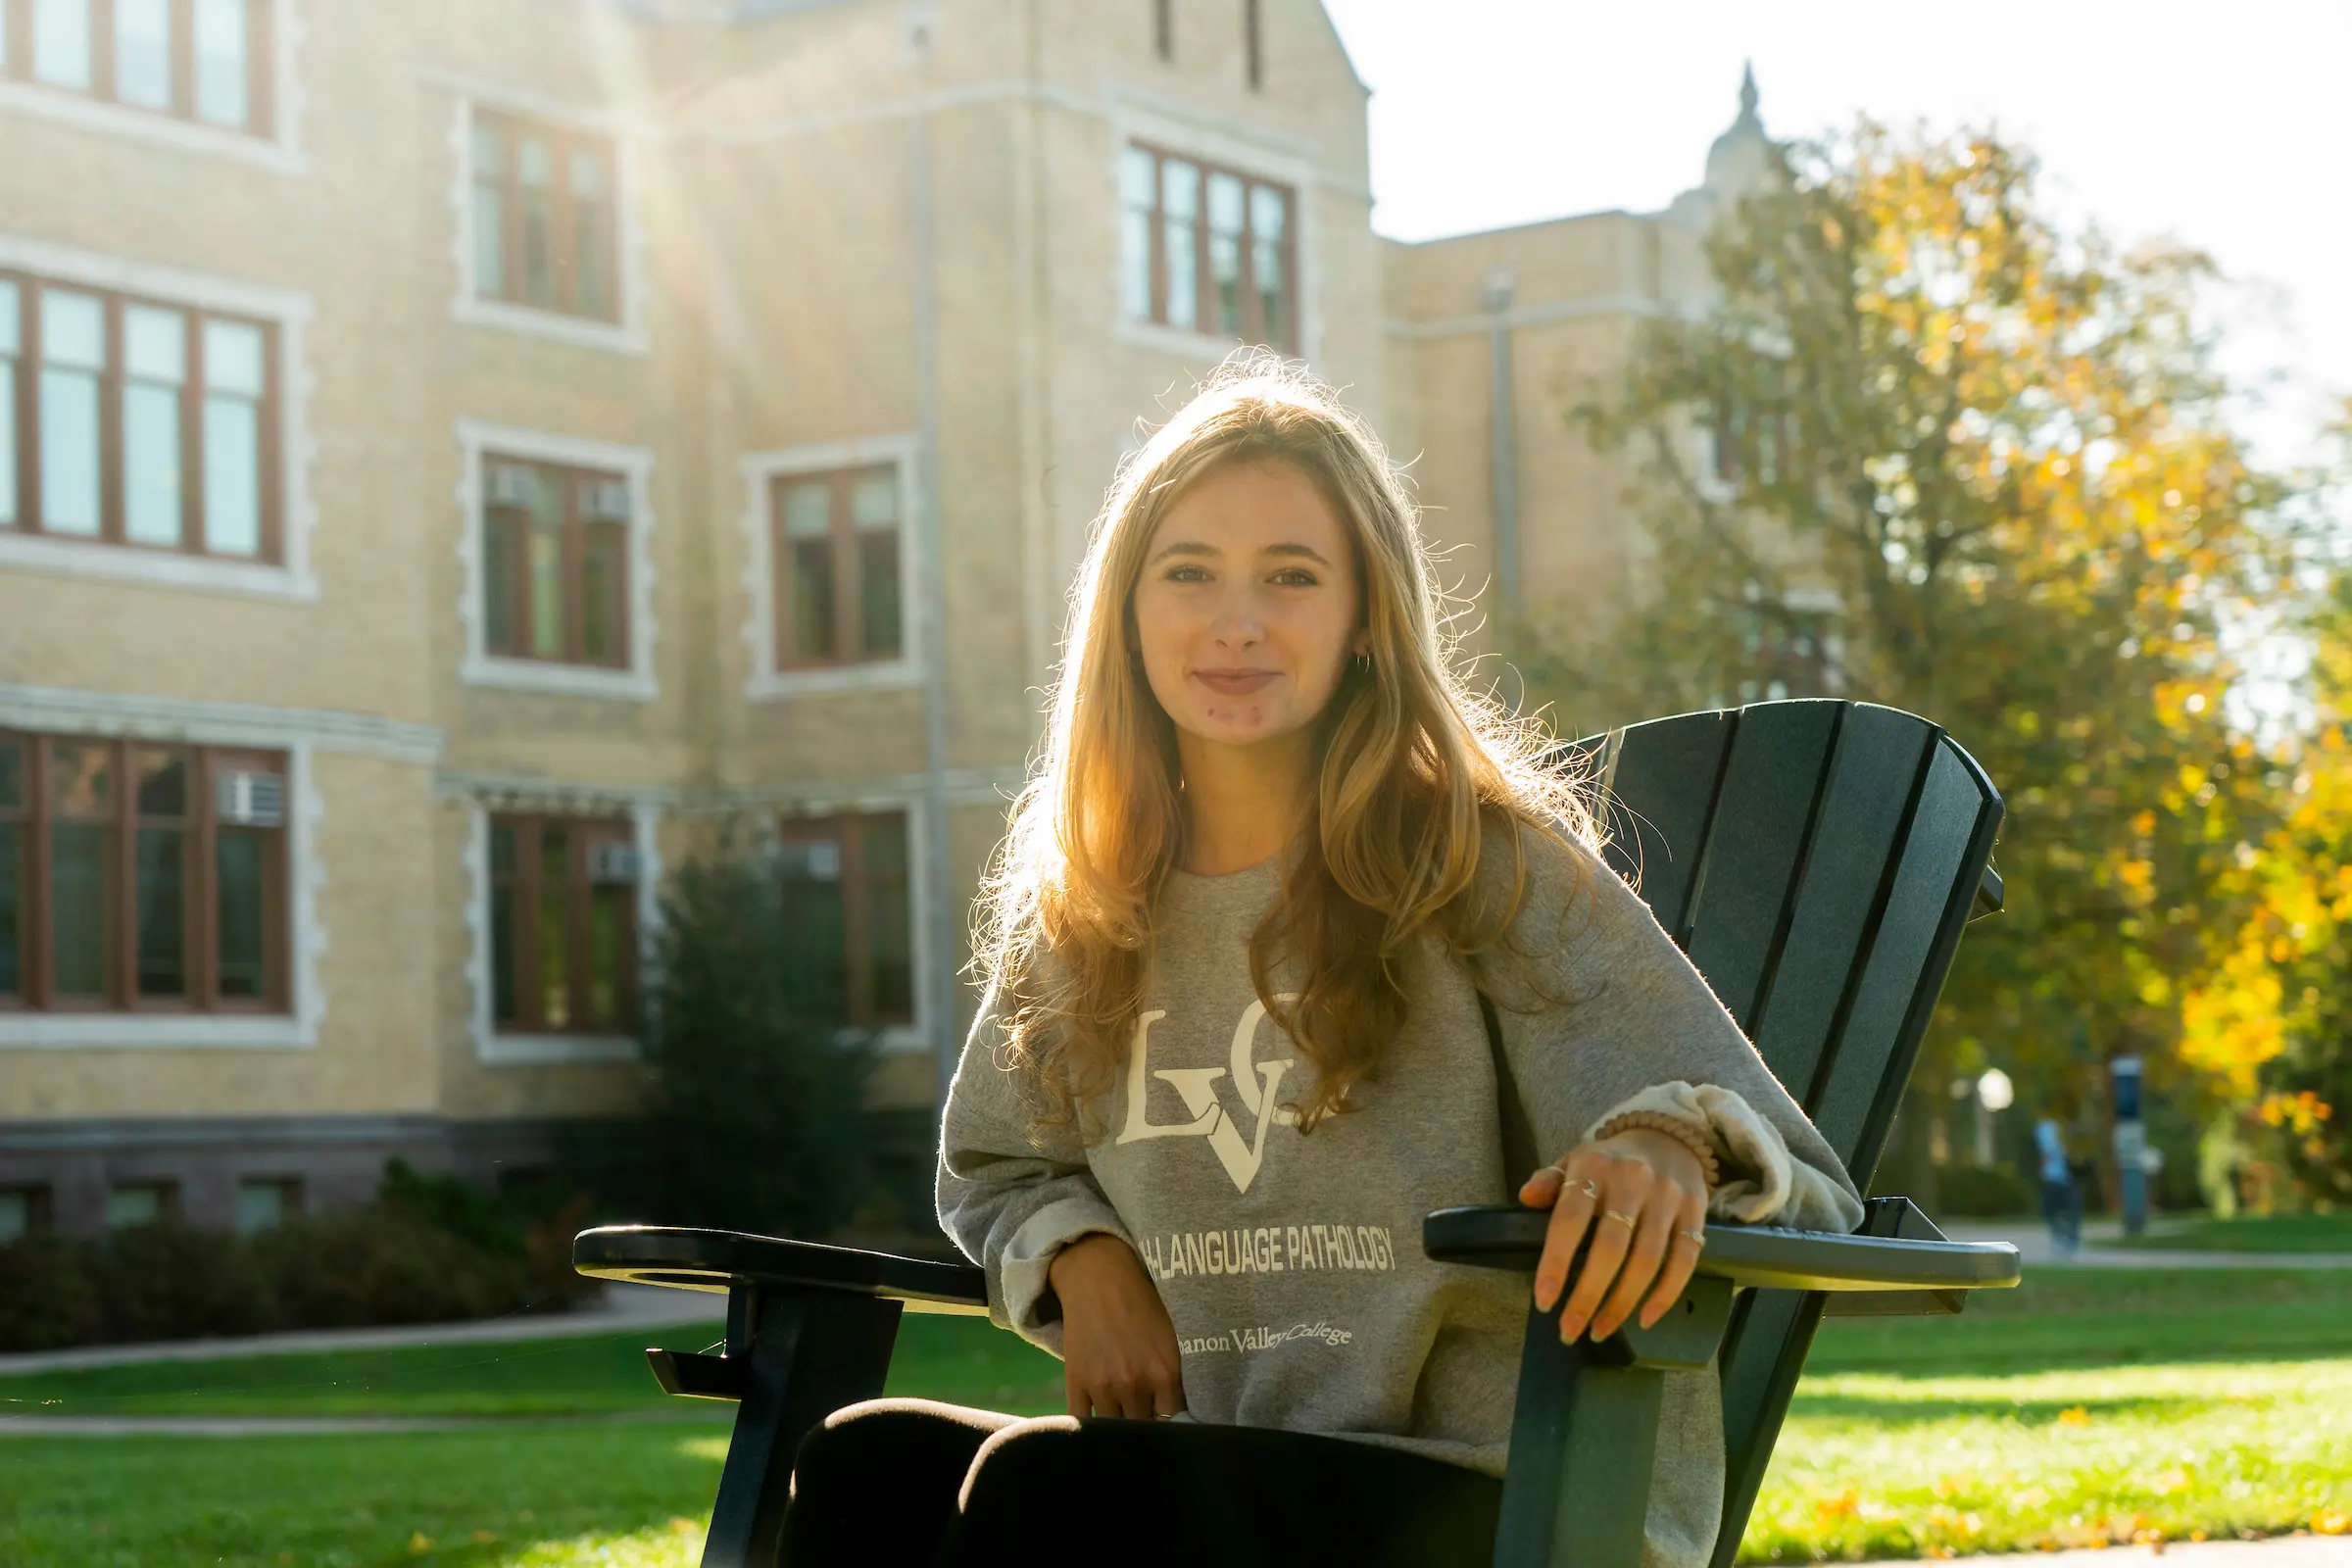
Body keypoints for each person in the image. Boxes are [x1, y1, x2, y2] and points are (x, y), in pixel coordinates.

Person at [779, 362, 1863, 1568]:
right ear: (1127, 613)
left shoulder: (1476, 865)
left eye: (1292, 577)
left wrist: (1669, 1143)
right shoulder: (1093, 904)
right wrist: (1076, 1252)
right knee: (863, 1462)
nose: (1236, 620)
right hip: (1231, 1459)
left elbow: (1788, 1164)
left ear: (1365, 620)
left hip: (1511, 1491)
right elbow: (997, 1159)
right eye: (1189, 571)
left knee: (1054, 1489)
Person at [2034, 1114, 2082, 1256]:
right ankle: (2067, 1238)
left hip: (2056, 1178)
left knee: (2054, 1211)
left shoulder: (2047, 1129)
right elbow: (2046, 1153)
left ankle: (2064, 1237)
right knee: (2066, 1209)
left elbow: (2045, 1153)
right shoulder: (2049, 1129)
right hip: (2058, 1178)